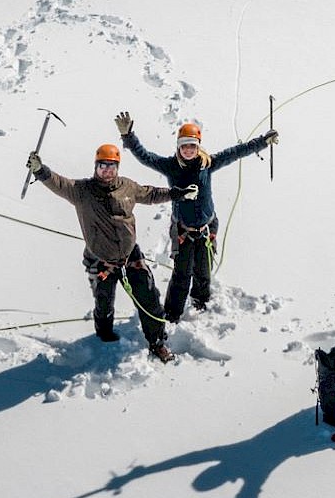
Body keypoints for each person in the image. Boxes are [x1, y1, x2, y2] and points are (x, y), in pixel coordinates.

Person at [114, 112, 277, 321]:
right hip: (183, 231)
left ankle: (200, 300)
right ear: (178, 147)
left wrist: (263, 142)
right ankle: (173, 313)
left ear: (198, 146)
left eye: (192, 146)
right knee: (182, 275)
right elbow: (145, 156)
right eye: (184, 146)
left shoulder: (207, 164)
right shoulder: (171, 167)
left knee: (204, 270)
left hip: (208, 228)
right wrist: (128, 136)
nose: (188, 150)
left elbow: (235, 152)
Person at [28, 143, 184, 361]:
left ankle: (157, 341)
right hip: (100, 260)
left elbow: (150, 194)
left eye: (111, 167)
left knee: (149, 298)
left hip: (131, 256)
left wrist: (175, 194)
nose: (107, 172)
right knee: (104, 303)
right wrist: (40, 170)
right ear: (95, 167)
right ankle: (104, 335)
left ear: (117, 168)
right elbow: (59, 184)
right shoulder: (82, 192)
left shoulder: (127, 187)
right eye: (103, 167)